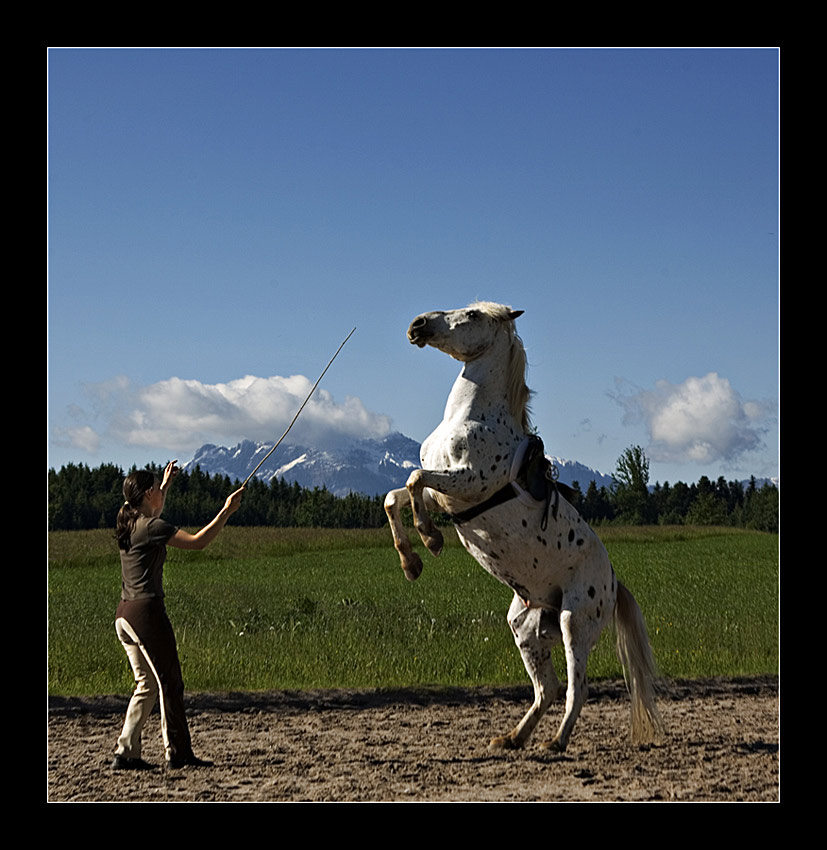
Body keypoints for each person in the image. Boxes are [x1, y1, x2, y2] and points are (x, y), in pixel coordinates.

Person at [111, 460, 244, 771]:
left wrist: (167, 485)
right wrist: (226, 511)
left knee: (146, 684)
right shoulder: (153, 527)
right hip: (147, 614)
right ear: (146, 493)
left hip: (124, 615)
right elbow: (198, 543)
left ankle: (126, 751)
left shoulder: (129, 521)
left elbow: (152, 511)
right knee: (170, 682)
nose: (160, 491)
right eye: (156, 487)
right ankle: (179, 753)